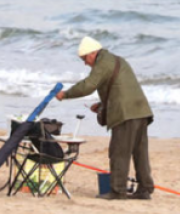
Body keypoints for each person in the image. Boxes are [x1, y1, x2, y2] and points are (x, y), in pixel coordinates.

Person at [56, 36, 154, 200]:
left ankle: (117, 191)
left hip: (125, 113)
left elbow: (88, 85)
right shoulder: (116, 60)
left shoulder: (103, 63)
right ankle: (144, 189)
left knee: (119, 152)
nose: (85, 63)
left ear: (93, 53)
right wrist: (102, 106)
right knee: (139, 152)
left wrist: (66, 94)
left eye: (84, 58)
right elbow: (120, 89)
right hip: (140, 110)